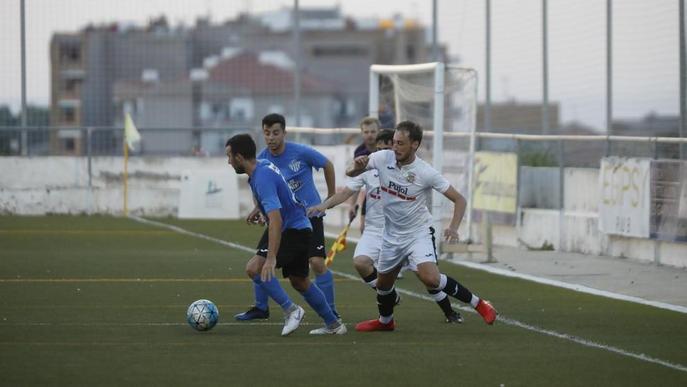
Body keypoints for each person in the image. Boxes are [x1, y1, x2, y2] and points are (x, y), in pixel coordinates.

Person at [346, 120, 498, 332]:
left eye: (400, 143)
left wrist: (453, 227)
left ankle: (480, 304)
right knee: (383, 285)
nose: (395, 147)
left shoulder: (425, 172)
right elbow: (350, 174)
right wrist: (356, 167)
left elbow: (460, 199)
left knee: (430, 278)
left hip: (418, 233)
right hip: (391, 235)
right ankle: (385, 321)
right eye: (394, 142)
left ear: (414, 144)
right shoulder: (382, 158)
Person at [308, 129, 463, 323]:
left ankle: (449, 311)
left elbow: (452, 196)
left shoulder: (411, 170)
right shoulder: (371, 168)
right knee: (361, 262)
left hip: (406, 231)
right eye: (377, 148)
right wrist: (324, 205)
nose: (381, 151)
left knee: (427, 276)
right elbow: (346, 190)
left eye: (386, 146)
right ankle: (390, 298)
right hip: (376, 230)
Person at [225, 134, 346, 335]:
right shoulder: (261, 165)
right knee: (299, 280)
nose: (228, 162)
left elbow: (276, 219)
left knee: (255, 268)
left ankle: (291, 310)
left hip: (292, 229)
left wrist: (271, 258)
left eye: (229, 156)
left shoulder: (261, 176)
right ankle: (334, 324)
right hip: (298, 225)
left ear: (239, 157)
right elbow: (277, 194)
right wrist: (259, 208)